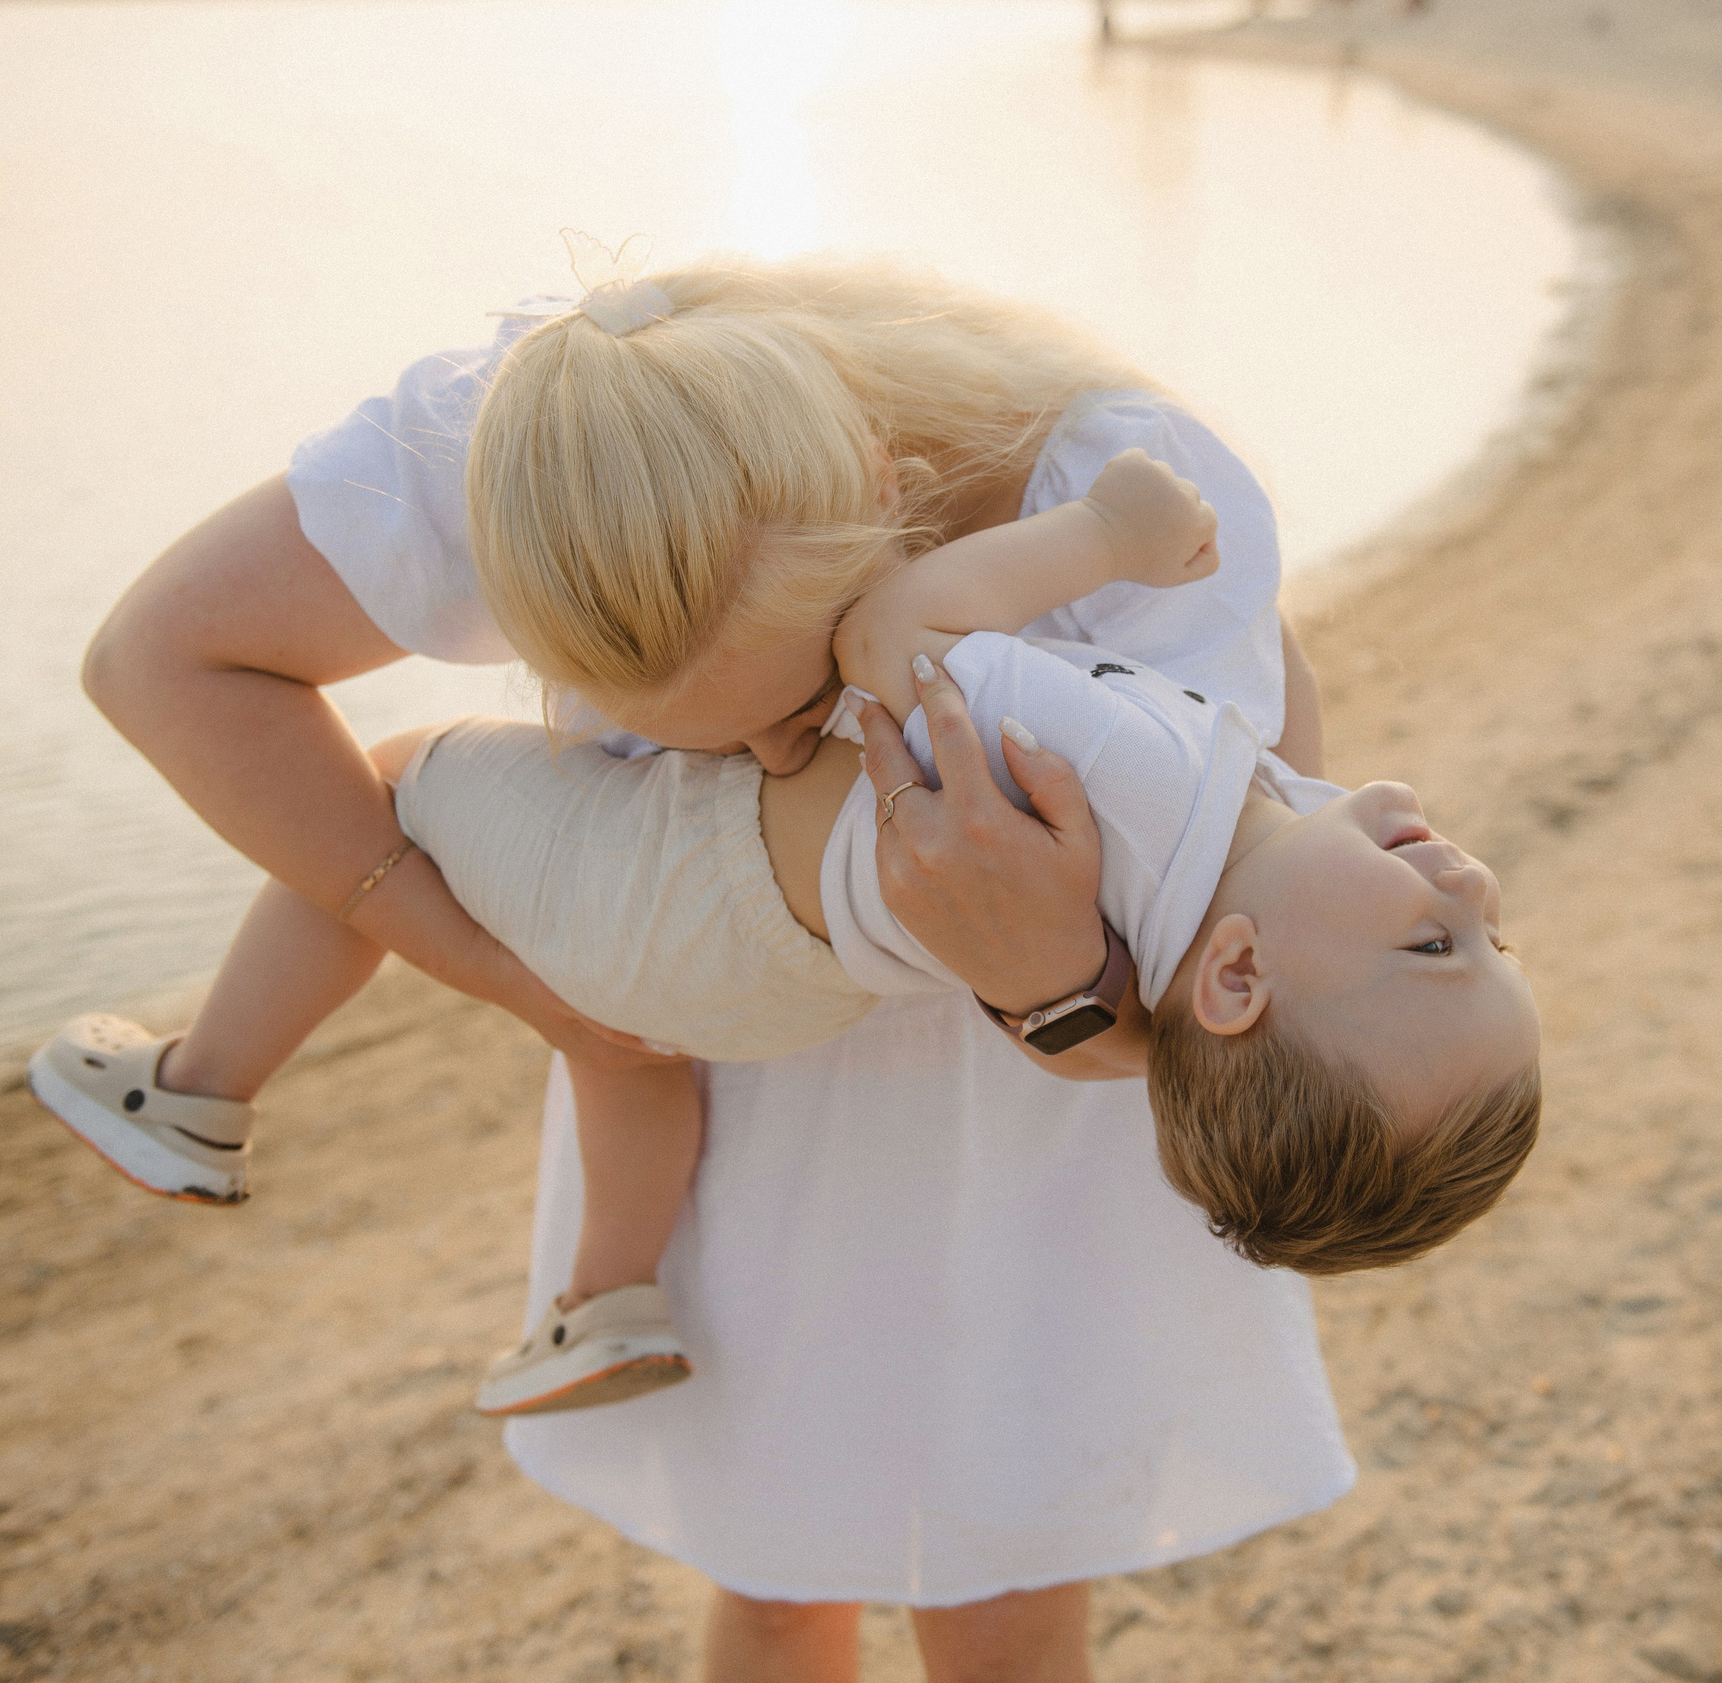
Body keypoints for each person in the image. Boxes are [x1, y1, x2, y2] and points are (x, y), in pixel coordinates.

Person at [77, 247, 1359, 1679]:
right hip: (732, 1077)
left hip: (1048, 1104)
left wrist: (1059, 980)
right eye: (694, 738)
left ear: (879, 488)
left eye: (804, 698)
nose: (766, 755)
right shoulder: (544, 448)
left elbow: (1242, 965)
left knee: (999, 1597)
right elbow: (162, 660)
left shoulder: (1120, 489)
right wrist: (507, 972)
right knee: (768, 1573)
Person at [36, 444, 1541, 1415]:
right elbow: (1276, 801)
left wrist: (1101, 529)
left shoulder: (1142, 790)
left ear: (1237, 973)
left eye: (1436, 946)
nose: (1474, 893)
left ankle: (200, 1087)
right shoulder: (1217, 876)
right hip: (757, 973)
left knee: (386, 786)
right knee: (624, 1046)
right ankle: (602, 1300)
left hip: (686, 893)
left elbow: (893, 640)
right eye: (1498, 939)